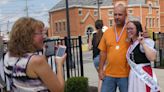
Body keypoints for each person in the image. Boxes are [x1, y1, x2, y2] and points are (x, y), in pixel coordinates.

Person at [4, 17, 66, 92]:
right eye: (40, 33)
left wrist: (45, 56)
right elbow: (59, 90)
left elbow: (31, 77)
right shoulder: (36, 61)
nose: (44, 36)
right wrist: (59, 64)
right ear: (27, 36)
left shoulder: (8, 55)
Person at [98, 3, 130, 92]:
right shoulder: (107, 32)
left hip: (126, 75)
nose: (117, 17)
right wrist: (100, 70)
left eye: (120, 14)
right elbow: (103, 52)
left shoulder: (130, 31)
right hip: (109, 75)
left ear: (125, 15)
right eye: (115, 14)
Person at [126, 21, 160, 92]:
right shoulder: (131, 44)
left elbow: (152, 58)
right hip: (134, 75)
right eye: (127, 29)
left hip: (144, 74)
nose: (129, 31)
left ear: (137, 29)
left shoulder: (145, 42)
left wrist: (143, 44)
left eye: (131, 29)